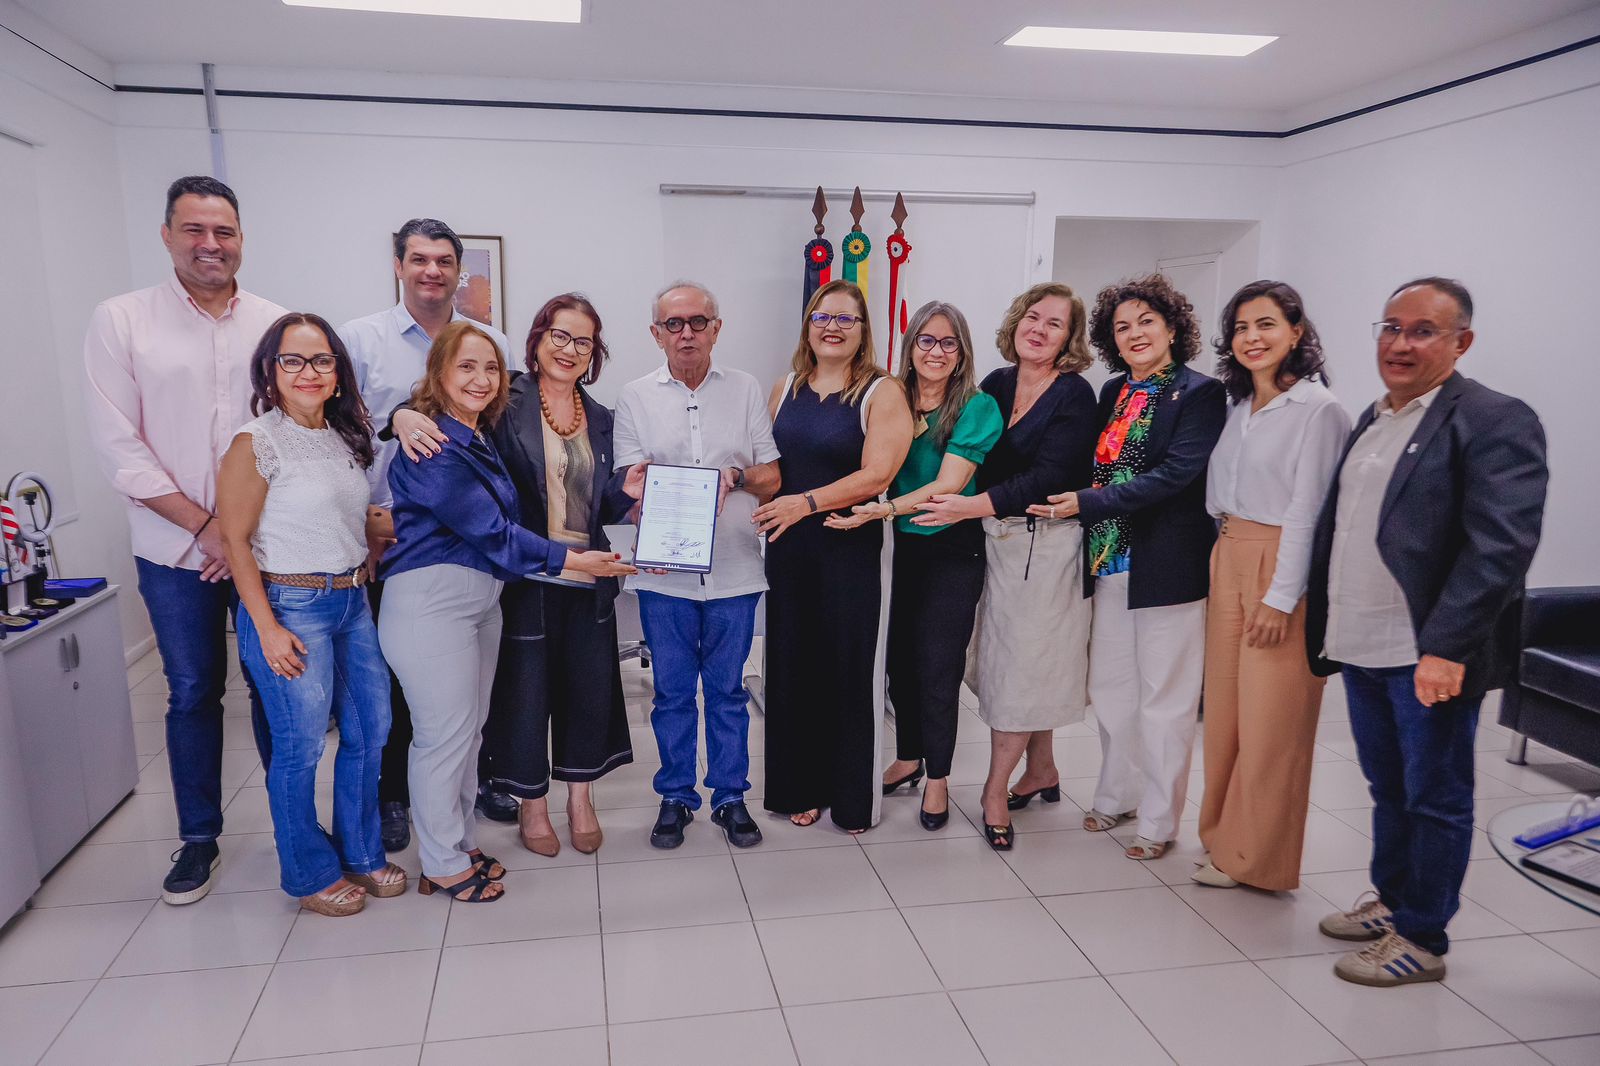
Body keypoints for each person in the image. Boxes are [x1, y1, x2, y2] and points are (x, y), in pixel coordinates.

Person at [1306, 277, 1546, 987]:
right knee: (1387, 785)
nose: (1400, 344)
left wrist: (1447, 647)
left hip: (1426, 652)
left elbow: (1499, 547)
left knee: (1436, 794)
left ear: (1460, 342)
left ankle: (1423, 936)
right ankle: (1393, 902)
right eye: (1391, 327)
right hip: (1362, 640)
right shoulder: (1375, 418)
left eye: (1422, 332)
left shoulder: (1494, 419)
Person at [378, 322, 634, 902]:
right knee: (444, 738)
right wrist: (577, 563)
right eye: (466, 367)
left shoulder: (475, 435)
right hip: (433, 602)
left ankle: (459, 841)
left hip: (481, 600)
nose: (481, 378)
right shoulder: (436, 445)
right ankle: (442, 862)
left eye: (489, 369)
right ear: (439, 372)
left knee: (467, 737)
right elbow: (496, 533)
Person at [83, 175, 286, 905]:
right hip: (176, 550)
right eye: (194, 230)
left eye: (223, 231)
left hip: (265, 547)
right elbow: (120, 447)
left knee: (277, 686)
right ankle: (199, 838)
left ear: (241, 237)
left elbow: (291, 432)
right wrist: (207, 529)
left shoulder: (275, 322)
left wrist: (241, 534)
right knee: (195, 689)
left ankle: (293, 828)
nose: (210, 245)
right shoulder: (122, 320)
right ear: (167, 236)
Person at [217, 313, 403, 916]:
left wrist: (373, 543)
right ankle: (307, 871)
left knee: (371, 729)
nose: (309, 371)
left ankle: (360, 850)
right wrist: (266, 627)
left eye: (321, 360)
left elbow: (352, 513)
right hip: (289, 605)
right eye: (293, 360)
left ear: (338, 372)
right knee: (299, 748)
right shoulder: (256, 441)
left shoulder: (346, 434)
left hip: (351, 603)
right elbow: (235, 541)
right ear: (271, 371)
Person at [339, 218, 516, 853]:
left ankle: (456, 808)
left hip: (471, 537)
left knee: (459, 703)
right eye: (419, 259)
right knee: (400, 690)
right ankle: (397, 799)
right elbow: (341, 427)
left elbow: (499, 426)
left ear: (458, 269)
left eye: (444, 260)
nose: (432, 271)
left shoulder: (490, 340)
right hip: (391, 534)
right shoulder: (362, 339)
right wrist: (400, 416)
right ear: (398, 265)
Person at [1037, 274, 1226, 861]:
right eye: (1122, 327)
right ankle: (1115, 793)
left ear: (1173, 328)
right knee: (1111, 688)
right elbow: (1096, 467)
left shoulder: (1199, 393)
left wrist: (1086, 503)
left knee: (1163, 697)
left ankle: (1159, 820)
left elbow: (1175, 475)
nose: (1135, 333)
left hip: (1166, 566)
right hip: (1109, 560)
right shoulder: (1113, 391)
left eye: (1147, 321)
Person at [916, 283, 1099, 850]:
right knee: (1012, 659)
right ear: (1016, 322)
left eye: (1055, 324)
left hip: (1044, 546)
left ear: (1070, 338)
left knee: (1021, 667)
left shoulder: (1074, 396)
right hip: (993, 542)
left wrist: (969, 504)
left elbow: (1049, 475)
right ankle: (1041, 768)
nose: (1039, 329)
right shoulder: (995, 384)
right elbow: (970, 452)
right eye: (1033, 317)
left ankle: (996, 790)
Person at [1193, 281, 1350, 890]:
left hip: (1278, 564)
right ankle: (1221, 840)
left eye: (1265, 325)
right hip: (1228, 552)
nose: (1251, 338)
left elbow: (1310, 511)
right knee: (1227, 719)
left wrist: (1282, 596)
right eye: (1240, 328)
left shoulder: (1320, 409)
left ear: (1296, 333)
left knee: (1271, 725)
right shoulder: (1239, 407)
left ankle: (1257, 859)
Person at [613, 282, 781, 850]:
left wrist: (735, 476)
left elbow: (773, 476)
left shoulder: (746, 389)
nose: (686, 333)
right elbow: (628, 478)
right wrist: (636, 494)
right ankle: (677, 796)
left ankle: (730, 796)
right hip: (665, 577)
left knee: (729, 692)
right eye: (674, 324)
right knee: (673, 693)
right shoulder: (634, 396)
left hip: (735, 569)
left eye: (698, 322)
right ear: (656, 334)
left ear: (716, 327)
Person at [826, 301, 1002, 831]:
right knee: (897, 663)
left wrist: (887, 507)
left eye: (948, 343)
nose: (936, 352)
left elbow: (949, 484)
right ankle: (908, 758)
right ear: (910, 345)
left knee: (935, 669)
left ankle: (939, 778)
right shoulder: (890, 395)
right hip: (890, 551)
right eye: (926, 340)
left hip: (950, 551)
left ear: (962, 351)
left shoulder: (977, 406)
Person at [755, 280, 914, 832]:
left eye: (846, 319)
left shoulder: (882, 391)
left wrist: (806, 503)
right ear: (808, 324)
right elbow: (768, 471)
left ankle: (849, 797)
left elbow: (878, 475)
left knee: (849, 672)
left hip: (851, 549)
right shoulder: (783, 388)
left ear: (864, 332)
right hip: (790, 552)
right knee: (792, 668)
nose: (832, 327)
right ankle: (799, 786)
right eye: (823, 316)